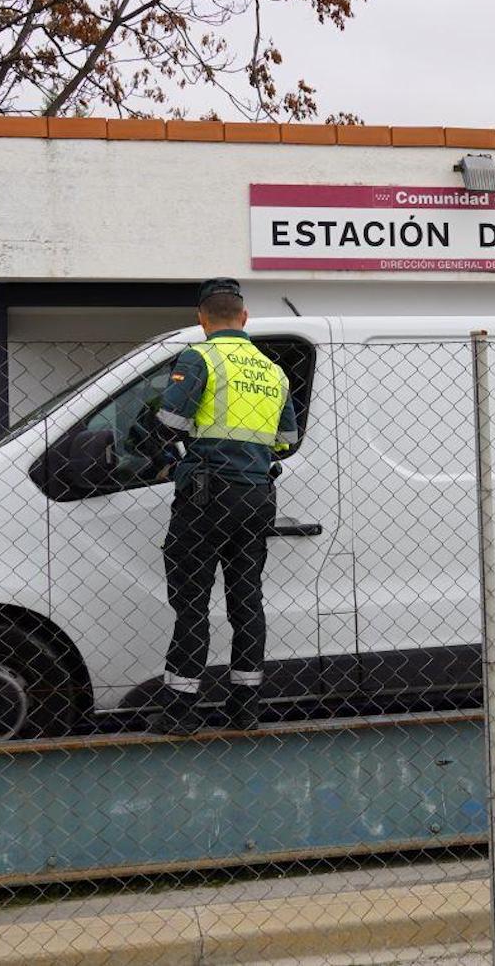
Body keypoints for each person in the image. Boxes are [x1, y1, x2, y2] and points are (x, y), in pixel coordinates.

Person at [144, 278, 297, 734]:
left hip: (206, 496)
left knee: (193, 602)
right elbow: (286, 444)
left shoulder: (200, 357)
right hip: (256, 497)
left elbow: (168, 422)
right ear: (244, 318)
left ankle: (180, 710)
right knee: (246, 601)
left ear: (201, 319)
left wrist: (171, 453)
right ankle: (244, 707)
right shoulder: (273, 371)